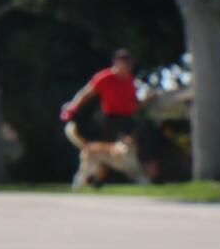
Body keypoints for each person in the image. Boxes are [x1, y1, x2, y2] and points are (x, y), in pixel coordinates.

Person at [62, 49, 160, 182]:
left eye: (128, 63)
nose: (125, 66)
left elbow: (134, 105)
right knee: (104, 152)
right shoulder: (105, 77)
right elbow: (86, 93)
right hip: (110, 118)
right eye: (122, 62)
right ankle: (97, 181)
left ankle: (147, 180)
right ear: (115, 62)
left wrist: (147, 100)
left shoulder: (131, 81)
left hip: (128, 117)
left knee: (141, 149)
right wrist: (74, 105)